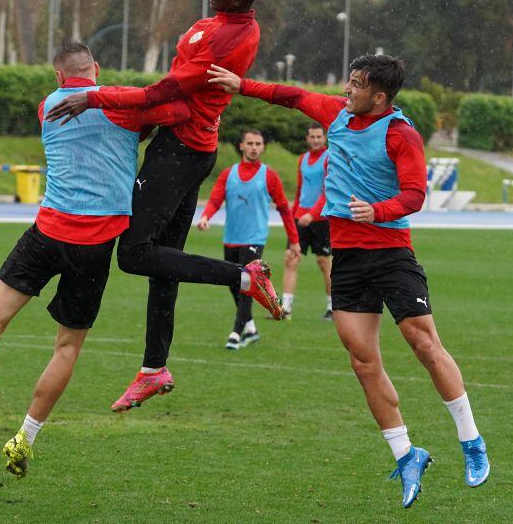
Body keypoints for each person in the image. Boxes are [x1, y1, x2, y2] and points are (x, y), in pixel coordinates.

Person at [208, 54, 490, 509]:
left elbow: (416, 194)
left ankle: (471, 440)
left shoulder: (401, 134)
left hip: (392, 254)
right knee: (362, 361)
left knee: (423, 344)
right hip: (350, 258)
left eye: (356, 84)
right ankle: (407, 454)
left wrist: (377, 211)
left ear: (379, 96)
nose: (347, 90)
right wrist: (240, 84)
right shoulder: (337, 115)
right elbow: (292, 96)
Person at [0, 43, 190, 478]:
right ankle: (25, 436)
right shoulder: (122, 107)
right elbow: (176, 111)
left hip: (46, 233)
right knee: (66, 346)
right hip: (96, 244)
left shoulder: (48, 106)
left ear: (59, 77)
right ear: (96, 70)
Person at [45, 0, 280, 413]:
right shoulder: (220, 23)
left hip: (179, 152)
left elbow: (161, 93)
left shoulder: (228, 41)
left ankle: (244, 277)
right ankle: (154, 368)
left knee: (134, 254)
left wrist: (93, 95)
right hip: (188, 148)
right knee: (163, 262)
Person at [196, 130, 300, 349]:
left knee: (247, 283)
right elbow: (215, 199)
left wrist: (294, 240)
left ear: (262, 147)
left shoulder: (269, 175)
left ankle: (236, 333)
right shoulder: (228, 174)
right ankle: (251, 328)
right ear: (241, 145)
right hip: (231, 238)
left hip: (255, 238)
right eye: (250, 143)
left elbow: (283, 208)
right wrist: (206, 216)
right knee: (234, 283)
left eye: (258, 143)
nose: (254, 147)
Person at [282, 124, 333, 321]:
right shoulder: (302, 159)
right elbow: (299, 188)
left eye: (319, 136)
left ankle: (332, 306)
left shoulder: (329, 158)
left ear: (324, 138)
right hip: (300, 218)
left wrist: (312, 214)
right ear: (307, 138)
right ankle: (285, 308)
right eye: (312, 137)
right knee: (291, 258)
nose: (316, 140)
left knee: (323, 262)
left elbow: (328, 190)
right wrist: (292, 217)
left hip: (321, 219)